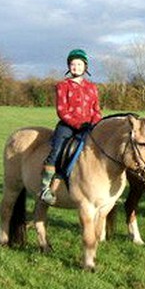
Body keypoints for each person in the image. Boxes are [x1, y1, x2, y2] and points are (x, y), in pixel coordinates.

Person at [40, 48, 103, 205]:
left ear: (85, 67)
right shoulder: (62, 86)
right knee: (57, 149)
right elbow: (62, 110)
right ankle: (45, 187)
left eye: (79, 64)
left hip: (89, 126)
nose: (76, 67)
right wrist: (78, 124)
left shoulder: (92, 87)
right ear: (69, 66)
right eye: (73, 64)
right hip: (68, 126)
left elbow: (97, 110)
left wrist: (94, 123)